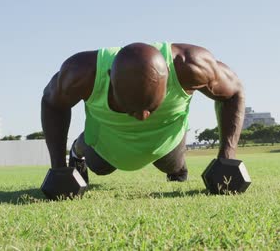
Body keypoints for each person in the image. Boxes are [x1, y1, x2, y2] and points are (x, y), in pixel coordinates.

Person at [41, 42, 245, 183]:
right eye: (129, 108)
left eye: (152, 107)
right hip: (107, 143)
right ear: (111, 78)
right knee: (101, 168)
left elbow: (234, 92)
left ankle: (178, 167)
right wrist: (59, 168)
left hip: (165, 142)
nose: (141, 118)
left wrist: (226, 158)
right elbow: (52, 103)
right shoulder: (81, 72)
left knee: (174, 166)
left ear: (168, 76)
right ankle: (78, 150)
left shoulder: (191, 66)